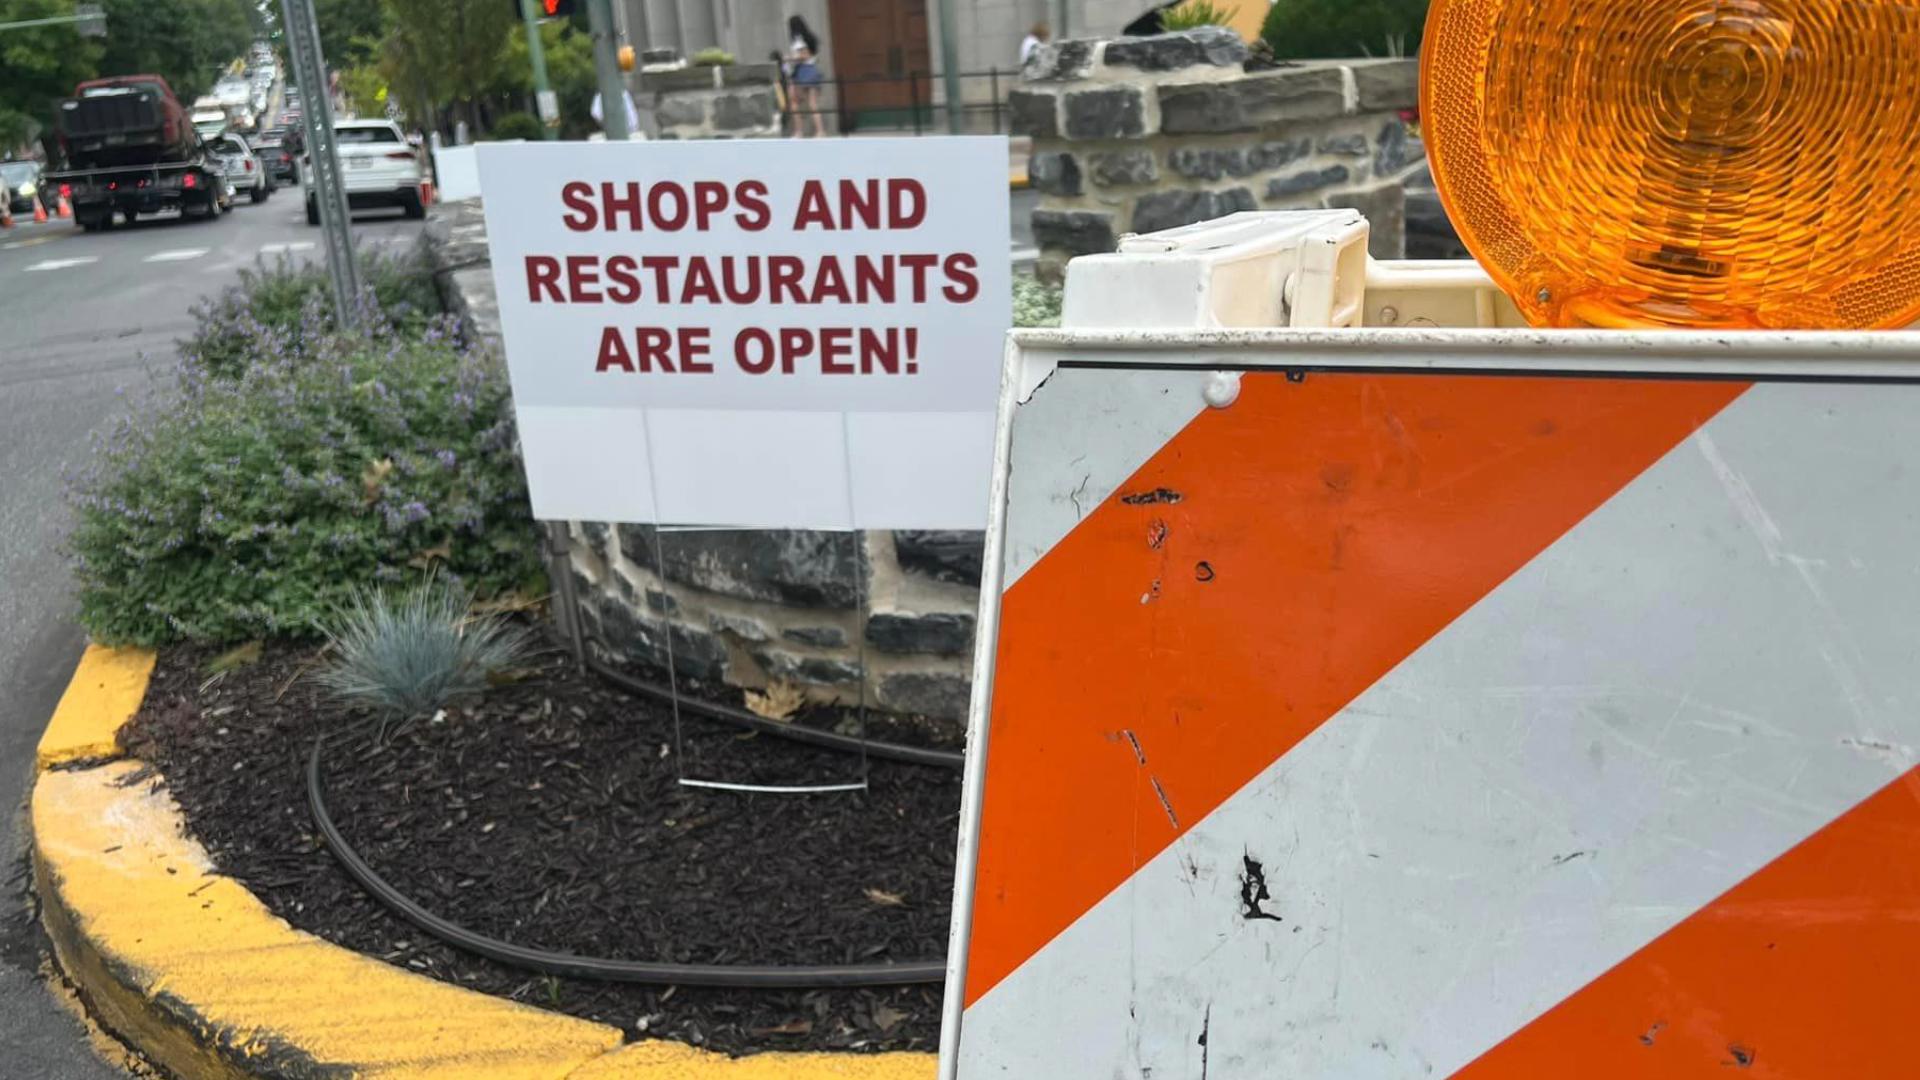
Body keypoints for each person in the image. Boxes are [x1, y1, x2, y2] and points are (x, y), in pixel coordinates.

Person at [786, 14, 826, 138]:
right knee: (812, 103)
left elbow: (804, 56)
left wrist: (789, 58)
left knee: (794, 102)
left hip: (802, 71)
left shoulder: (798, 40)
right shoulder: (810, 38)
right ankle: (820, 131)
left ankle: (799, 131)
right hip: (812, 69)